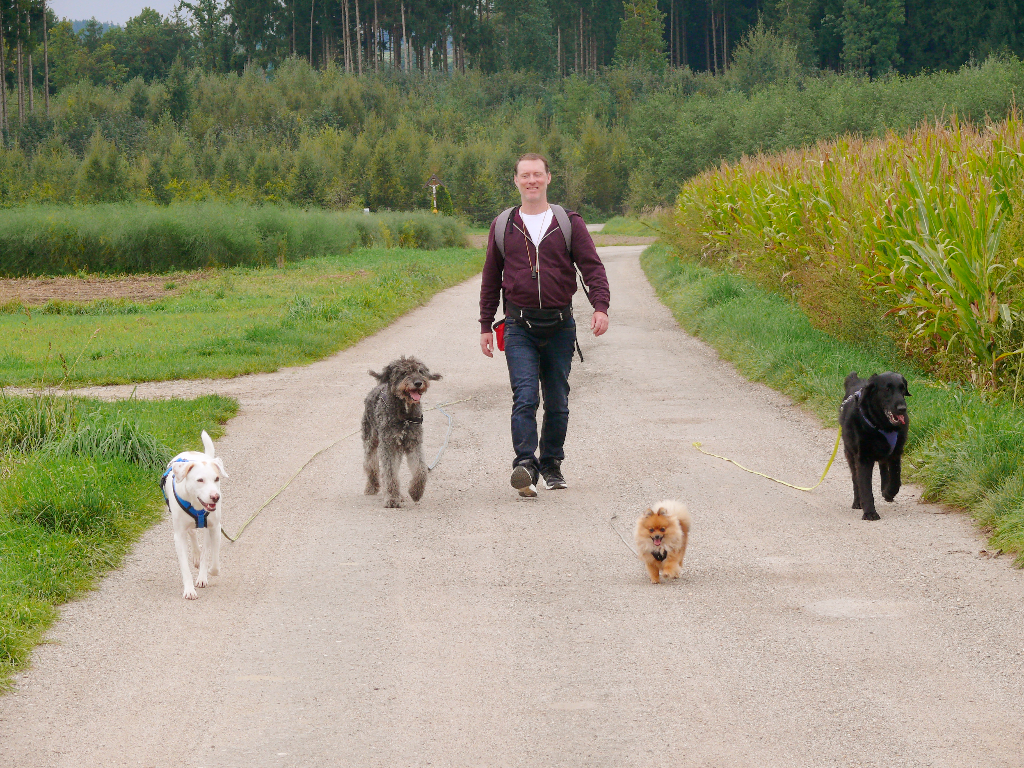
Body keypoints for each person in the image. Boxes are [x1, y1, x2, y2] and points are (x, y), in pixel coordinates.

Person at [479, 152, 610, 497]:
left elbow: (592, 267)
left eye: (538, 174)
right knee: (524, 397)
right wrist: (484, 325)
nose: (532, 180)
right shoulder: (503, 225)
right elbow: (491, 279)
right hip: (519, 326)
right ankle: (525, 465)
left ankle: (551, 464)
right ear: (516, 181)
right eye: (525, 175)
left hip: (560, 326)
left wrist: (600, 306)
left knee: (557, 400)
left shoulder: (568, 222)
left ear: (548, 178)